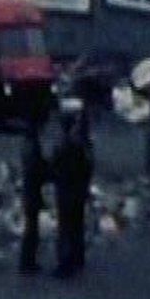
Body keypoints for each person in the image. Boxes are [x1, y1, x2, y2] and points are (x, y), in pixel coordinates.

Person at [51, 98, 94, 279]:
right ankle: (77, 257)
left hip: (66, 190)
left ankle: (64, 264)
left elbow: (55, 168)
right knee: (77, 225)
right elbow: (88, 166)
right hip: (78, 190)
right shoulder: (82, 145)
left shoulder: (62, 146)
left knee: (65, 227)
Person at [19, 123, 48, 275]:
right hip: (32, 192)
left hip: (29, 191)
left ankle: (28, 260)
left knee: (31, 227)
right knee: (32, 228)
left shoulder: (28, 146)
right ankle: (28, 261)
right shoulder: (32, 148)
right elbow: (36, 168)